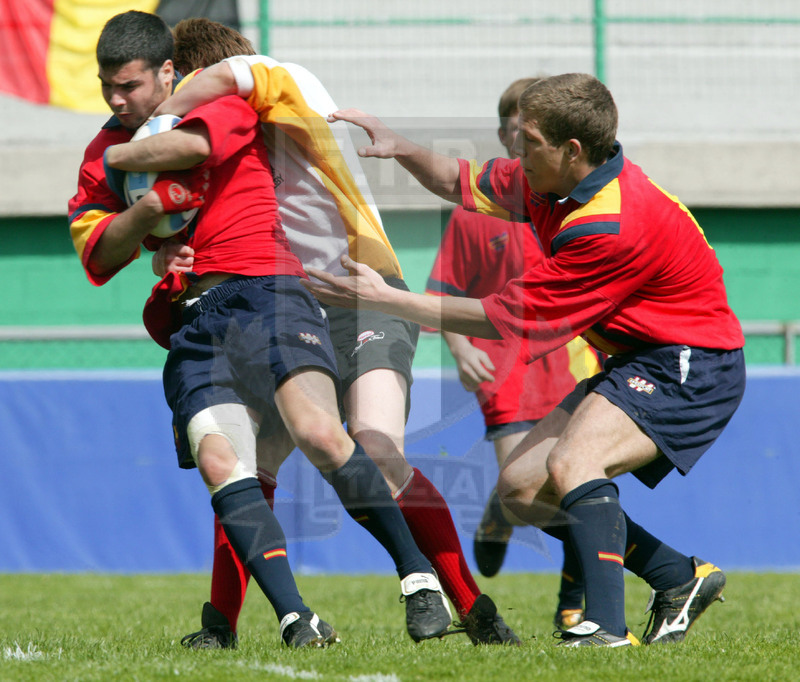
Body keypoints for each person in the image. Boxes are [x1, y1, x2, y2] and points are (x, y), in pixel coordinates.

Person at [301, 73, 745, 647]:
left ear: (572, 149)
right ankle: (675, 577)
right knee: (521, 490)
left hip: (690, 365)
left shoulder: (608, 225)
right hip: (641, 357)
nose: (516, 149)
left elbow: (500, 318)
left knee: (574, 464)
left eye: (528, 139)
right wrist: (402, 147)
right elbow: (462, 181)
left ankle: (605, 630)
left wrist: (384, 299)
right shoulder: (554, 182)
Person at [68, 10, 453, 649]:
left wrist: (122, 161)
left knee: (323, 434)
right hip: (194, 318)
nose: (116, 99)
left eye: (129, 86)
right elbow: (99, 253)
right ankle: (295, 618)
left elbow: (196, 148)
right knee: (223, 461)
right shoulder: (102, 147)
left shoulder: (214, 104)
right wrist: (147, 211)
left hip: (271, 295)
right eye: (107, 86)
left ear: (169, 73)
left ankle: (419, 579)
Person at [153, 17, 519, 649]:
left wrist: (153, 115)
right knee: (247, 463)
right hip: (282, 307)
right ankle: (220, 625)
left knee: (375, 443)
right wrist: (172, 258)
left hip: (363, 290)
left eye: (183, 87)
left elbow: (236, 74)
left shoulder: (278, 79)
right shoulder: (215, 149)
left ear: (199, 77)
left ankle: (468, 605)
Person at [424, 76, 600, 630]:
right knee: (521, 488)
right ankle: (499, 516)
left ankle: (573, 602)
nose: (522, 135)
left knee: (575, 482)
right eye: (514, 124)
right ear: (505, 133)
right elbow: (445, 293)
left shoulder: (581, 204)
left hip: (573, 363)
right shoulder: (475, 212)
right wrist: (458, 348)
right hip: (505, 370)